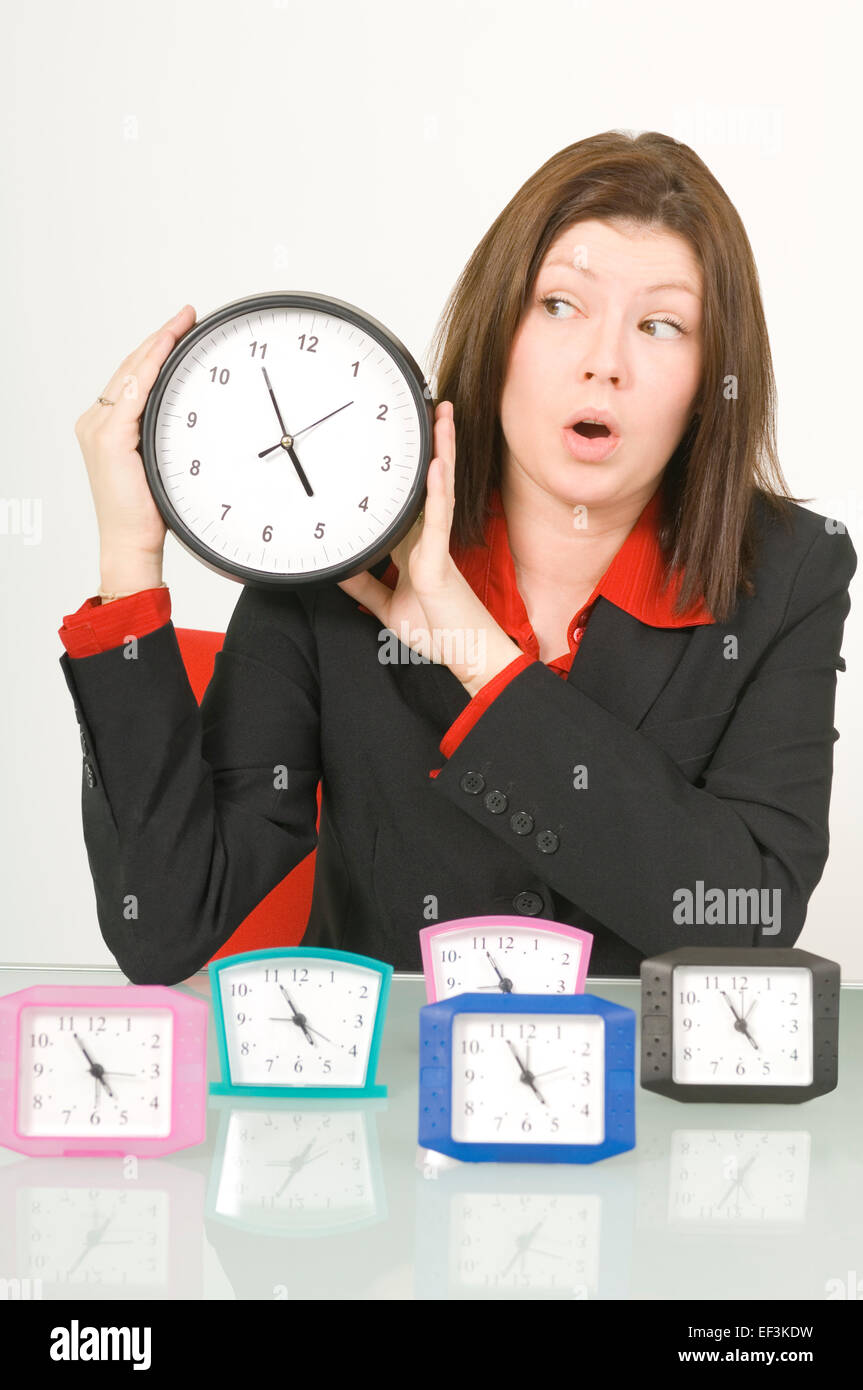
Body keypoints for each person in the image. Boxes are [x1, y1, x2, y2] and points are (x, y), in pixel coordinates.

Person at [59, 130, 856, 986]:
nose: (603, 364)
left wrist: (479, 655)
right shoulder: (337, 539)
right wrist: (129, 558)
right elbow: (167, 925)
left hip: (639, 1103)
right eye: (559, 305)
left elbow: (746, 919)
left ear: (710, 380)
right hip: (391, 1108)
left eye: (661, 326)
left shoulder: (790, 570)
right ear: (497, 324)